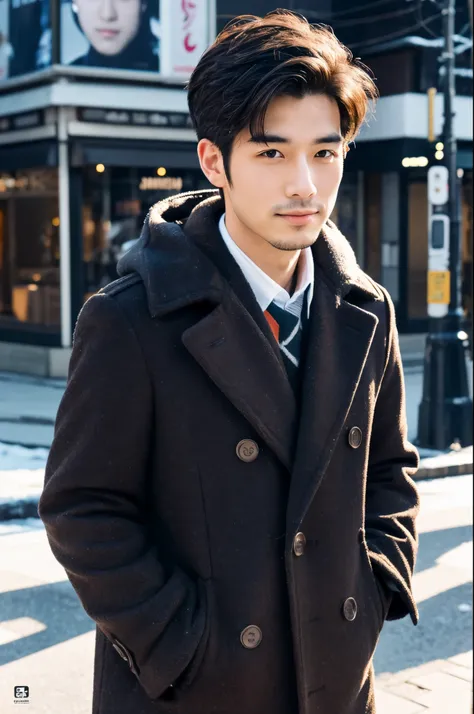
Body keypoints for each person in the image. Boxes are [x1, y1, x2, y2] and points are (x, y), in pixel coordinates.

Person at [39, 10, 420, 714]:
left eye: (325, 152)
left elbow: (390, 470)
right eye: (272, 153)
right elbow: (82, 507)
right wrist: (176, 644)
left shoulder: (366, 311)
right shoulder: (130, 320)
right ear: (215, 161)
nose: (305, 184)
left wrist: (375, 587)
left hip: (335, 684)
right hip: (195, 692)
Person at [68, 0, 158, 71]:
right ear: (75, 2)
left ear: (144, 3)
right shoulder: (60, 84)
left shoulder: (168, 82)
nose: (107, 14)